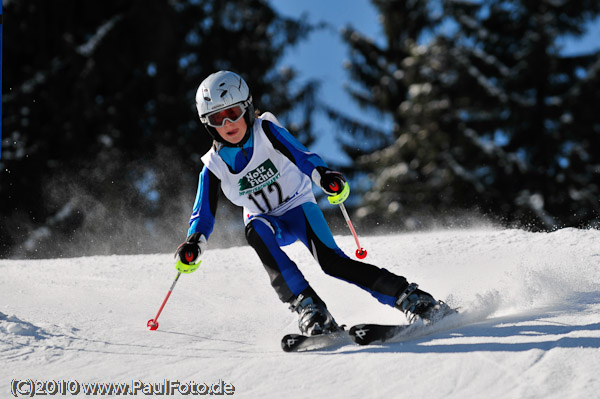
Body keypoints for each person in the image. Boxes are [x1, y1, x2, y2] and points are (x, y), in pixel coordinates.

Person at [176, 70, 452, 336]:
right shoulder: (212, 166)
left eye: (232, 113)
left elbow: (303, 156)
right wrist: (194, 243)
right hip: (266, 221)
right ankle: (310, 309)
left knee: (332, 262)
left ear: (247, 108)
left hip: (298, 207)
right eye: (216, 119)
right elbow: (203, 213)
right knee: (254, 230)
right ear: (208, 125)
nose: (227, 124)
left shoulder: (266, 131)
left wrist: (326, 178)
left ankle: (411, 298)